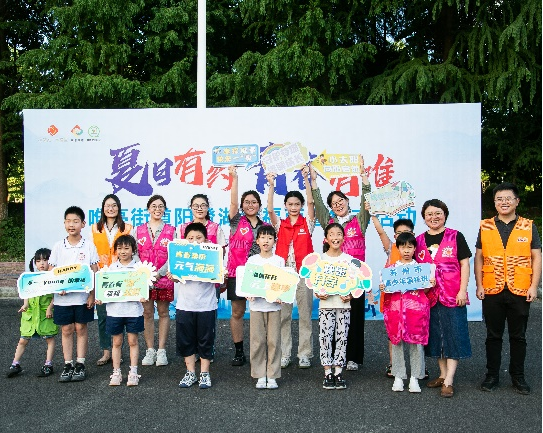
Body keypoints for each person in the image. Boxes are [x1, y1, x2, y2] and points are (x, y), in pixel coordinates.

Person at [475, 182, 542, 395]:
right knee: (493, 336)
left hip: (520, 288)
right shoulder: (485, 226)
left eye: (508, 198)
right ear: (494, 203)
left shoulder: (528, 226)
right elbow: (479, 257)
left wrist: (534, 286)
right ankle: (492, 375)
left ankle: (518, 376)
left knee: (518, 336)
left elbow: (536, 257)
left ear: (516, 201)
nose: (504, 202)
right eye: (499, 199)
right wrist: (479, 284)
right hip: (492, 288)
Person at [310, 156, 370, 371]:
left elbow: (366, 200)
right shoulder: (329, 223)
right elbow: (318, 205)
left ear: (347, 201)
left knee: (355, 318)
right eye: (334, 203)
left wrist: (364, 177)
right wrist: (314, 181)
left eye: (340, 200)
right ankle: (336, 358)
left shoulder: (359, 220)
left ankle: (353, 358)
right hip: (333, 277)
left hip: (356, 278)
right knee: (334, 320)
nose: (338, 204)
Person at [415, 199, 472, 398]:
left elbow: (465, 264)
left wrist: (462, 291)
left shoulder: (456, 236)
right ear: (424, 218)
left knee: (453, 334)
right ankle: (441, 374)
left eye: (438, 213)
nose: (434, 217)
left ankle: (449, 380)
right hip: (429, 297)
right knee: (436, 335)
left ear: (445, 215)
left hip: (452, 293)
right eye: (429, 214)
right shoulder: (419, 241)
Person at [267, 166, 315, 369]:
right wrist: (271, 186)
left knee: (305, 316)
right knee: (283, 316)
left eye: (297, 204)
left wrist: (306, 179)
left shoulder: (308, 223)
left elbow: (312, 202)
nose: (294, 207)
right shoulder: (280, 225)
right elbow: (270, 210)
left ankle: (304, 354)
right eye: (290, 204)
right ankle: (285, 353)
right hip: (284, 275)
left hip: (304, 274)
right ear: (285, 205)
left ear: (301, 205)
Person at [371, 215, 430, 380]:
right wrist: (373, 213)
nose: (406, 248)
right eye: (399, 233)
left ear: (413, 235)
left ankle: (419, 369)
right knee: (394, 334)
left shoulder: (417, 251)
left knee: (416, 334)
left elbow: (426, 276)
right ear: (395, 236)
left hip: (413, 303)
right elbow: (380, 232)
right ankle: (394, 366)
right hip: (394, 301)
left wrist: (429, 281)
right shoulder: (392, 248)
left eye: (407, 232)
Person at [48, 206, 100, 382]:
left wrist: (92, 294)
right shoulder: (58, 246)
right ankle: (68, 364)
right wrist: (58, 286)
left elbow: (94, 271)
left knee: (81, 328)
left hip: (82, 297)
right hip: (62, 298)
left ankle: (80, 363)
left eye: (76, 221)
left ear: (83, 224)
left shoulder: (89, 245)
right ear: (64, 223)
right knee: (66, 329)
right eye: (68, 221)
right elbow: (51, 271)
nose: (72, 225)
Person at [379, 233, 433, 393]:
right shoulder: (391, 270)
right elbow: (387, 290)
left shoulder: (421, 269)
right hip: (396, 312)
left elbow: (425, 291)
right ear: (398, 248)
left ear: (415, 248)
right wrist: (383, 287)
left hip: (415, 312)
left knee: (416, 344)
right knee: (396, 342)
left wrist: (429, 284)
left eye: (410, 247)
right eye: (403, 247)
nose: (407, 250)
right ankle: (398, 376)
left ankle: (415, 377)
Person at [226, 165, 267, 366]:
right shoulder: (236, 221)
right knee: (237, 312)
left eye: (254, 202)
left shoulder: (265, 226)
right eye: (247, 202)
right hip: (237, 273)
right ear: (242, 205)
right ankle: (239, 351)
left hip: (258, 274)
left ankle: (260, 351)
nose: (250, 205)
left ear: (259, 205)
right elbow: (233, 202)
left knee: (260, 312)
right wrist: (234, 178)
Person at [170, 223, 218, 389]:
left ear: (206, 239)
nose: (195, 241)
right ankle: (190, 372)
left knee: (206, 340)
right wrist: (173, 275)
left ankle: (204, 373)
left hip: (206, 306)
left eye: (199, 238)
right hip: (185, 305)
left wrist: (222, 274)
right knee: (186, 340)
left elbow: (219, 276)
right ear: (185, 240)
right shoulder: (180, 255)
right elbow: (176, 277)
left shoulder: (213, 254)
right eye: (190, 238)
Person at [96, 235, 146, 387]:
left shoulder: (140, 268)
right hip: (115, 312)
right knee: (116, 342)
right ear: (115, 250)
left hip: (133, 311)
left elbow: (146, 287)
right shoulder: (110, 269)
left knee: (133, 341)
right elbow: (104, 289)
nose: (123, 251)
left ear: (133, 250)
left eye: (126, 248)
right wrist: (100, 298)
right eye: (119, 248)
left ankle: (133, 372)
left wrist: (144, 295)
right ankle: (116, 372)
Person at [91, 193, 133, 366]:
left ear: (119, 208)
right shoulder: (95, 228)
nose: (111, 208)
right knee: (103, 316)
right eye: (108, 205)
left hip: (120, 276)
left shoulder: (127, 228)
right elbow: (92, 253)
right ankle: (106, 351)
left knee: (119, 315)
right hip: (101, 277)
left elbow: (133, 251)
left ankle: (118, 351)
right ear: (103, 209)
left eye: (114, 205)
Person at [134, 195, 175, 367]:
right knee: (147, 313)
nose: (157, 209)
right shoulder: (138, 230)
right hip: (144, 280)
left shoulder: (171, 230)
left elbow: (174, 255)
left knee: (164, 312)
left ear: (165, 209)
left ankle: (162, 350)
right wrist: (144, 273)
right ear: (148, 209)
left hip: (164, 279)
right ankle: (150, 350)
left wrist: (159, 273)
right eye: (154, 206)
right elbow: (134, 253)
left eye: (161, 206)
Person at [7, 248, 58, 378]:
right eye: (38, 261)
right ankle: (15, 364)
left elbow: (56, 295)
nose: (42, 263)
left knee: (49, 338)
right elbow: (27, 293)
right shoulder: (31, 277)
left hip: (45, 314)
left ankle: (48, 364)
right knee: (23, 339)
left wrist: (50, 308)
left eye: (45, 260)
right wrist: (25, 304)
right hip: (31, 314)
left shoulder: (54, 277)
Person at [245, 225, 284, 389]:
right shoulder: (252, 261)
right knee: (257, 341)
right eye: (262, 237)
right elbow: (247, 282)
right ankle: (260, 374)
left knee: (274, 341)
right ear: (257, 241)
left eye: (269, 238)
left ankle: (272, 375)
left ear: (274, 241)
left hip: (274, 307)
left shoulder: (279, 260)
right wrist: (248, 293)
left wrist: (281, 295)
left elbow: (283, 283)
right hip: (256, 306)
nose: (266, 241)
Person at [316, 223, 353, 390]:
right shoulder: (320, 260)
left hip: (344, 305)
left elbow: (355, 283)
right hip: (325, 305)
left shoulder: (349, 260)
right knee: (325, 337)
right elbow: (315, 283)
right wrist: (318, 293)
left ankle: (338, 371)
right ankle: (327, 372)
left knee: (342, 337)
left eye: (339, 234)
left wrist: (350, 295)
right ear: (326, 238)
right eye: (332, 234)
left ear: (344, 238)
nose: (335, 237)